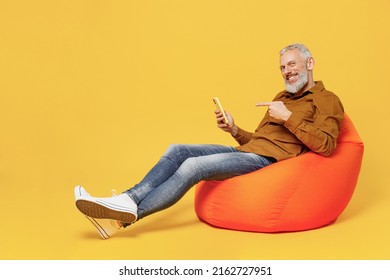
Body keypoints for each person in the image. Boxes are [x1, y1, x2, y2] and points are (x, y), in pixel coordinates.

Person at [74, 43, 344, 239]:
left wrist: (287, 118)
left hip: (267, 162)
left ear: (309, 63)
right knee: (178, 149)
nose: (287, 71)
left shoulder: (327, 100)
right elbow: (259, 139)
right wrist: (233, 128)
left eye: (292, 64)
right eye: (283, 67)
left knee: (193, 167)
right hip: (249, 151)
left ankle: (128, 212)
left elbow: (326, 146)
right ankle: (123, 204)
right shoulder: (282, 97)